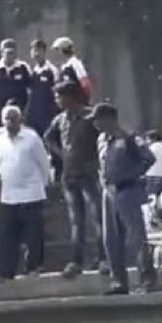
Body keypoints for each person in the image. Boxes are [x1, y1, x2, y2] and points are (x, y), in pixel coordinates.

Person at [91, 102, 157, 295]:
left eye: (98, 119)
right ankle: (118, 282)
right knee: (111, 239)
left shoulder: (129, 137)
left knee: (136, 237)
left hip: (128, 190)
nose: (95, 123)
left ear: (109, 118)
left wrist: (132, 174)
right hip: (109, 192)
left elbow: (149, 158)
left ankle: (147, 280)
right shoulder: (102, 140)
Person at [46, 80, 105, 278]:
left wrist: (98, 161)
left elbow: (105, 137)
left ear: (70, 97)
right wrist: (61, 153)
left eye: (59, 96)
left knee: (98, 217)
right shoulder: (60, 119)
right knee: (76, 221)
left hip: (89, 173)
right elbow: (48, 138)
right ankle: (76, 261)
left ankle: (104, 258)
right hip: (69, 175)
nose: (56, 100)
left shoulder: (90, 116)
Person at [0, 104, 50, 281]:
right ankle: (6, 271)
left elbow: (43, 163)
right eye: (6, 119)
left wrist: (43, 185)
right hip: (9, 195)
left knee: (33, 235)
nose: (9, 123)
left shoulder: (31, 138)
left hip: (31, 193)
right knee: (7, 236)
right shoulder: (0, 139)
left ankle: (33, 267)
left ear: (20, 120)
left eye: (12, 119)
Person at [0, 39, 33, 127]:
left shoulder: (23, 67)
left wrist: (26, 111)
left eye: (12, 52)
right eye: (7, 52)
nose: (9, 55)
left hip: (19, 113)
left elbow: (30, 91)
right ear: (1, 52)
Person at [27, 39, 60, 137]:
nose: (36, 54)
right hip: (35, 113)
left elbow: (56, 90)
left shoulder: (52, 70)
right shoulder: (33, 71)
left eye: (38, 50)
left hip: (48, 112)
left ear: (44, 52)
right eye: (33, 50)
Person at [144, 130, 162, 198]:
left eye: (147, 139)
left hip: (152, 178)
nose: (146, 142)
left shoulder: (151, 148)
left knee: (151, 201)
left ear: (153, 139)